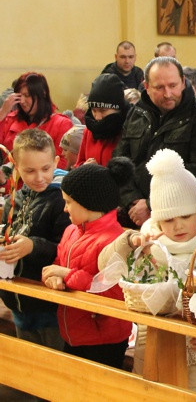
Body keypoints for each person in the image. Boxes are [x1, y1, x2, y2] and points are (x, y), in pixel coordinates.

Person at [98, 149, 196, 392]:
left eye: (186, 216)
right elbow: (104, 266)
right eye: (167, 220)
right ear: (157, 220)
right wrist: (130, 241)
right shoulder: (149, 244)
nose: (178, 225)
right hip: (152, 343)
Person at [41, 157, 133, 369]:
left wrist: (67, 274)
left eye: (68, 202)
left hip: (104, 339)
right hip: (73, 331)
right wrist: (54, 278)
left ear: (88, 202)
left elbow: (116, 292)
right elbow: (57, 263)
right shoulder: (71, 230)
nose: (65, 209)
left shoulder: (114, 240)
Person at [113, 57, 196, 227]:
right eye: (159, 87)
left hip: (176, 217)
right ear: (146, 86)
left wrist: (149, 204)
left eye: (173, 85)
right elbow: (120, 162)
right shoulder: (137, 112)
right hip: (132, 212)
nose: (168, 94)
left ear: (183, 82)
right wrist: (132, 200)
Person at [0, 129, 70, 350]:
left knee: (52, 368)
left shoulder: (63, 201)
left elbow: (66, 251)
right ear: (16, 167)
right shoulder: (14, 199)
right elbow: (5, 234)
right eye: (29, 171)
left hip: (48, 304)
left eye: (46, 169)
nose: (39, 177)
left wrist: (32, 246)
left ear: (56, 161)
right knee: (28, 366)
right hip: (17, 298)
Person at [0, 72, 74, 169]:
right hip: (8, 182)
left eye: (27, 95)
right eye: (19, 96)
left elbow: (62, 163)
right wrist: (2, 114)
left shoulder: (61, 124)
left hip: (43, 182)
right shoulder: (9, 119)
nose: (22, 101)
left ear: (42, 94)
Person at [76, 74, 129, 167]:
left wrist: (99, 172)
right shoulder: (89, 130)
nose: (97, 117)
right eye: (94, 110)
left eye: (103, 110)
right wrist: (85, 167)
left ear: (118, 108)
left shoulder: (129, 130)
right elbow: (79, 164)